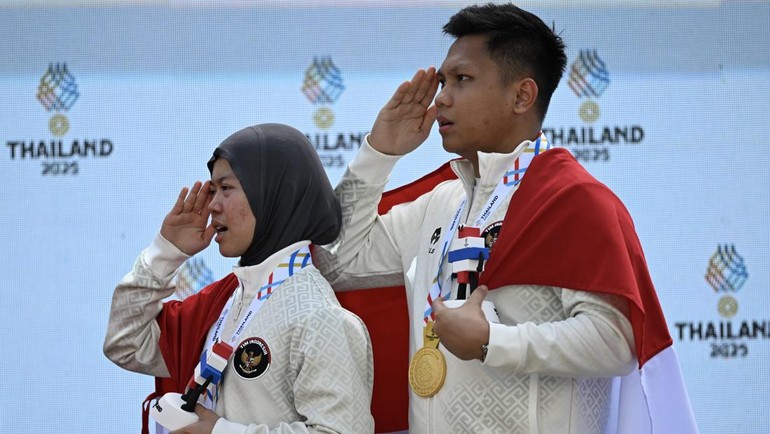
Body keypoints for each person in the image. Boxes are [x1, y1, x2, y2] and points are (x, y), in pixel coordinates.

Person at [315, 3, 697, 434]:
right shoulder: (440, 203)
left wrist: (493, 342)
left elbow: (617, 340)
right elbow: (336, 261)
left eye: (462, 79)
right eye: (443, 82)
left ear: (522, 96)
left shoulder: (573, 201)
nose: (441, 98)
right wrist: (379, 152)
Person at [104, 123, 375, 434]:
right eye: (212, 190)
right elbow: (125, 343)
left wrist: (220, 432)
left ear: (273, 193)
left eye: (226, 188)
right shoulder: (224, 302)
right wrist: (165, 252)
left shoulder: (321, 317)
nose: (213, 205)